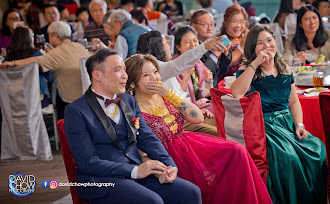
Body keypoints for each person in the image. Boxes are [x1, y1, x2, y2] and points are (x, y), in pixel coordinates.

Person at [125, 53, 272, 204]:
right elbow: (138, 146)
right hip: (166, 155)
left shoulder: (164, 94)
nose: (154, 78)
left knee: (237, 151)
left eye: (155, 72)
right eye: (146, 75)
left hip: (188, 143)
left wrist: (168, 93)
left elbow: (197, 118)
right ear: (133, 82)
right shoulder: (132, 108)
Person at [64, 48, 202, 203]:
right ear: (97, 75)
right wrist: (135, 171)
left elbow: (147, 138)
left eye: (124, 69)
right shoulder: (76, 111)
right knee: (152, 201)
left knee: (191, 192)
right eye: (118, 70)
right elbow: (88, 162)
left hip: (136, 172)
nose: (125, 75)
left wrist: (169, 165)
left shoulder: (129, 101)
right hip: (102, 180)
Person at [230, 25, 327, 204]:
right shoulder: (248, 69)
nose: (267, 46)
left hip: (286, 123)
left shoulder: (284, 68)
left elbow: (294, 101)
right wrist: (255, 63)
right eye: (260, 43)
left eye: (269, 40)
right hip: (264, 126)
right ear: (253, 48)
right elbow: (236, 92)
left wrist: (299, 124)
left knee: (317, 149)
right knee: (288, 157)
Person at [0, 21, 89, 120]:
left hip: (68, 100)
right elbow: (50, 73)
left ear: (54, 36)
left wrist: (13, 63)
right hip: (86, 96)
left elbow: (36, 61)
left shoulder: (56, 53)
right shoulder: (79, 46)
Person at [136, 30, 218, 136]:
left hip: (184, 113)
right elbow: (178, 65)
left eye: (195, 41)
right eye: (166, 43)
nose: (169, 47)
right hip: (175, 119)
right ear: (158, 47)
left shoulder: (163, 68)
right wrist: (205, 46)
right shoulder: (159, 68)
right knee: (220, 130)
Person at [6, 26, 53, 108]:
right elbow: (51, 77)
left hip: (14, 100)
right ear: (30, 39)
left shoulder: (7, 59)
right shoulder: (37, 56)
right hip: (37, 100)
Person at [191, 9, 232, 88]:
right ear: (194, 26)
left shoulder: (209, 43)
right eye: (204, 25)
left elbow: (221, 72)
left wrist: (225, 53)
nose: (209, 28)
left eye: (212, 24)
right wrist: (215, 54)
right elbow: (203, 75)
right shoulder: (193, 46)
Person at [219, 4, 250, 81]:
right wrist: (241, 47)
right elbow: (225, 64)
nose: (238, 26)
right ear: (226, 22)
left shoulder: (246, 38)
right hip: (226, 83)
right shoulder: (221, 40)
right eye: (234, 21)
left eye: (242, 21)